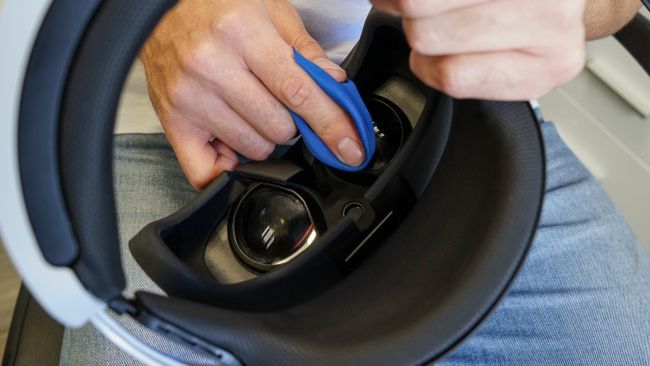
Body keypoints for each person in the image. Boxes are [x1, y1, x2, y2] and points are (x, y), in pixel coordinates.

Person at [60, 0, 650, 364]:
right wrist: (156, 15)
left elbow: (618, 4)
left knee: (626, 346)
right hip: (191, 125)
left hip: (459, 118)